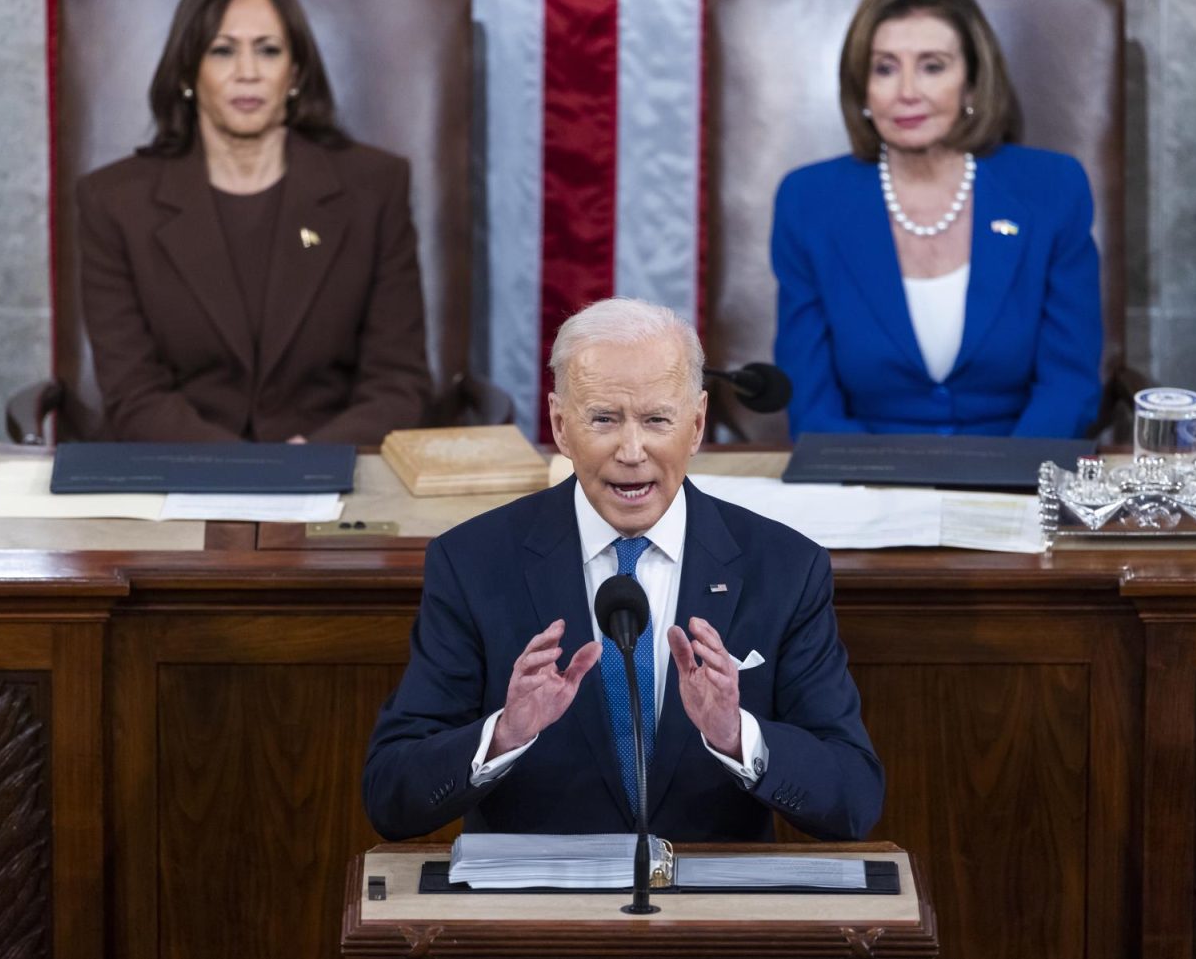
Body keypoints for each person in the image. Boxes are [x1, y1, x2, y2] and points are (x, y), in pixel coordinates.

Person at [363, 297, 883, 842]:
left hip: (712, 913)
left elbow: (852, 799)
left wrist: (737, 736)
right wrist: (503, 735)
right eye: (604, 419)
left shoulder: (785, 567)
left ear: (698, 424)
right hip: (537, 915)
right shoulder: (472, 562)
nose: (631, 451)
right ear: (562, 427)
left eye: (657, 420)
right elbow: (390, 796)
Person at [78, 0, 432, 443]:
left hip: (335, 475)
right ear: (188, 71)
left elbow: (398, 381)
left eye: (267, 51)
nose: (247, 73)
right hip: (180, 474)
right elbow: (133, 393)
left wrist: (311, 459)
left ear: (295, 72)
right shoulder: (114, 202)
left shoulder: (375, 188)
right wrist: (248, 471)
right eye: (222, 51)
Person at [773, 0, 1103, 439]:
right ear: (862, 89)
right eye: (885, 68)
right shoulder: (808, 202)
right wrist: (873, 497)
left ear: (971, 83)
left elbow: (1068, 384)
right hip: (863, 484)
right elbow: (811, 396)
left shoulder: (1052, 189)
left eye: (932, 66)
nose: (907, 91)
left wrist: (1003, 490)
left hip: (1017, 478)